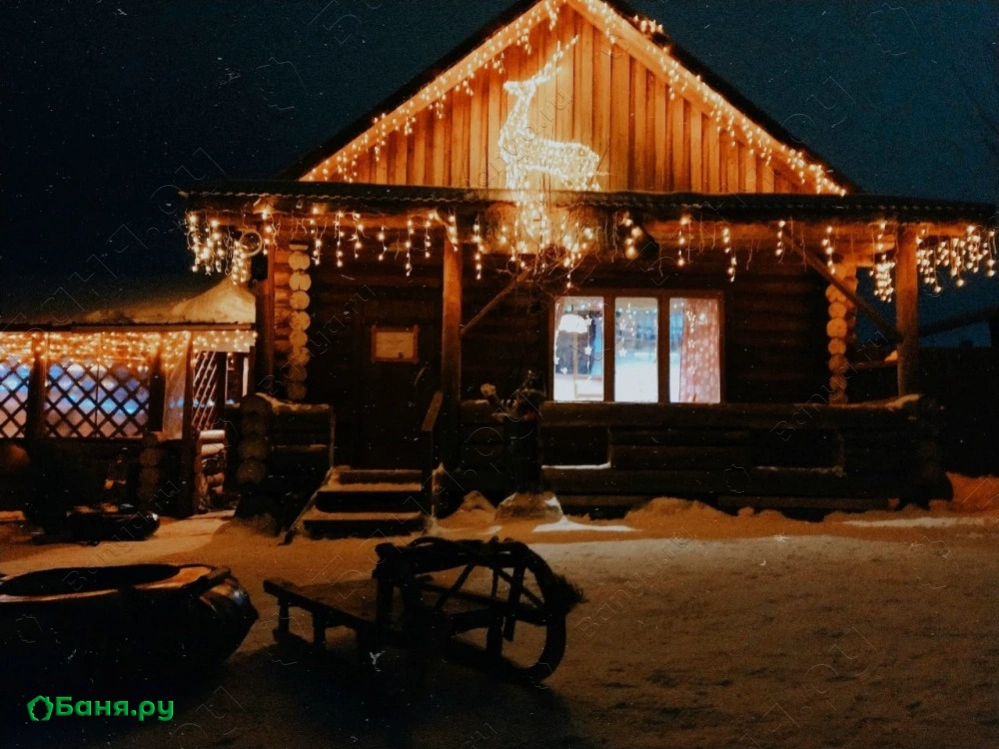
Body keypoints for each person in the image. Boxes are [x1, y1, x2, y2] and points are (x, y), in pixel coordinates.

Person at [480, 371, 547, 493]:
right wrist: (492, 397)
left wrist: (493, 398)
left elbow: (513, 418)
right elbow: (512, 416)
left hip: (526, 469)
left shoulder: (528, 423)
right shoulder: (524, 419)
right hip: (519, 465)